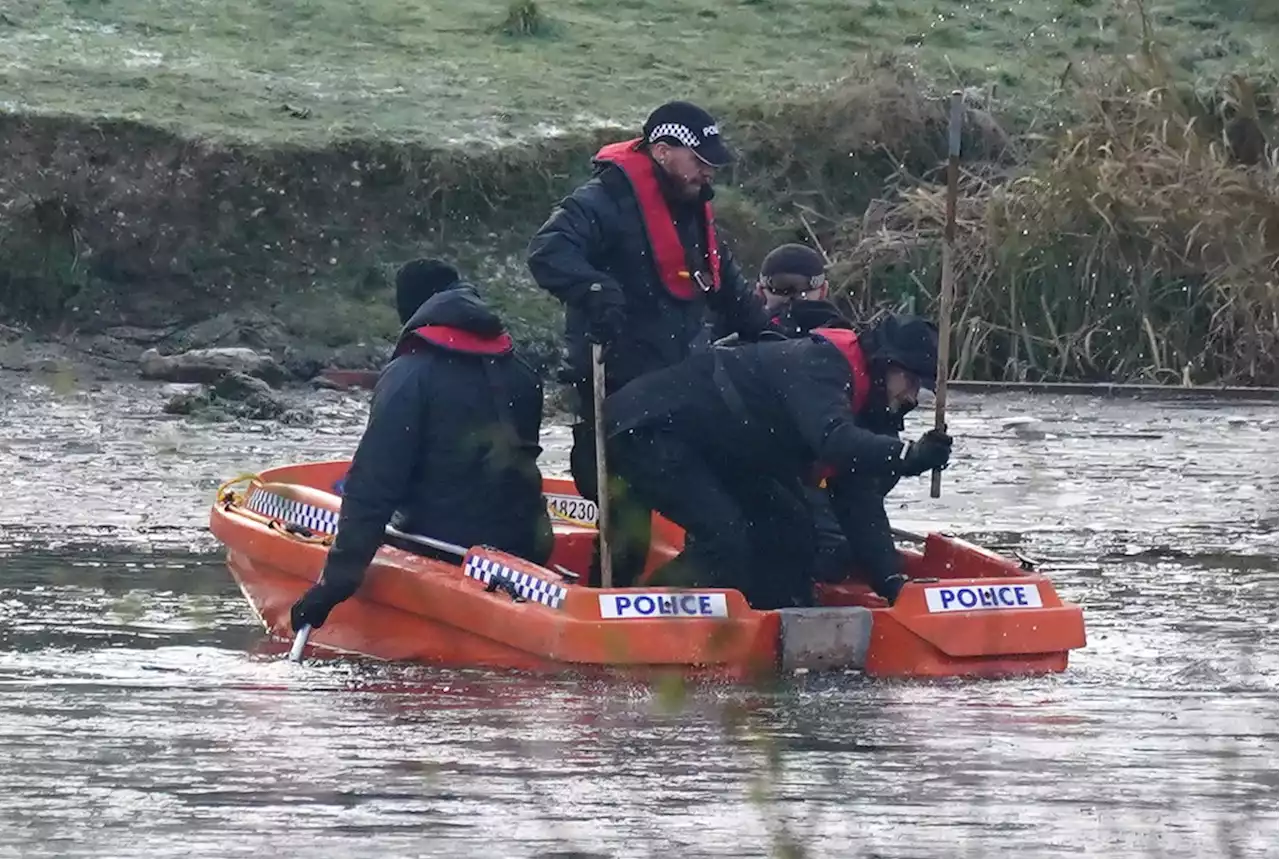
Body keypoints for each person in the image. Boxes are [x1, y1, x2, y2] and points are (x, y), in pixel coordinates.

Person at [526, 100, 770, 587]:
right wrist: (597, 291)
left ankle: (691, 601)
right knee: (633, 536)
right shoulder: (601, 202)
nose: (707, 172)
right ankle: (619, 614)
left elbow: (731, 293)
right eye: (699, 160)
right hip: (614, 406)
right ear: (662, 151)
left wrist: (774, 340)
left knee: (725, 524)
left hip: (679, 403)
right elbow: (548, 251)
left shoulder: (692, 212)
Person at [602, 313, 952, 608]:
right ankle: (642, 618)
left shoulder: (868, 404)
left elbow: (858, 499)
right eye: (910, 380)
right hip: (648, 430)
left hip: (720, 449)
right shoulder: (821, 365)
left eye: (921, 387)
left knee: (793, 533)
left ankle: (775, 621)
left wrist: (892, 583)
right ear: (884, 365)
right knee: (725, 540)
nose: (912, 396)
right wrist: (905, 456)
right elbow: (834, 440)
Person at [290, 265, 553, 633]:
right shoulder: (522, 371)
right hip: (527, 547)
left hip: (444, 549)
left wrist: (333, 585)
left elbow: (373, 487)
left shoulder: (409, 376)